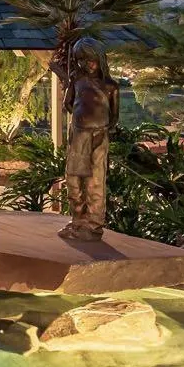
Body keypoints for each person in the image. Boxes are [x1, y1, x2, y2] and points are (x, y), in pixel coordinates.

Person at [55, 37, 120, 241]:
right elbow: (68, 103)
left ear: (100, 59)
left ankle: (93, 225)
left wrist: (97, 127)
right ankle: (78, 220)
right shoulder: (77, 80)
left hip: (98, 137)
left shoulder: (111, 86)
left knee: (95, 182)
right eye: (81, 60)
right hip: (78, 135)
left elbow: (114, 116)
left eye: (90, 59)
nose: (86, 64)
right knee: (73, 179)